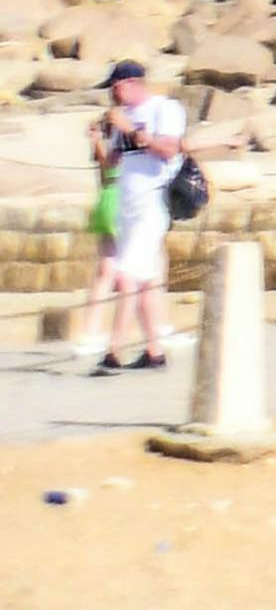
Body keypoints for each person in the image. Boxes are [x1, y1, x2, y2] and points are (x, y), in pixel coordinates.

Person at [84, 60, 196, 375]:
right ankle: (154, 351)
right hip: (127, 207)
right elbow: (111, 166)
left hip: (153, 202)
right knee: (144, 280)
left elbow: (169, 150)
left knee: (126, 276)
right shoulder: (123, 117)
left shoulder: (164, 108)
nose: (113, 94)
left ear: (133, 83)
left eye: (116, 87)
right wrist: (97, 139)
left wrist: (130, 130)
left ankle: (113, 353)